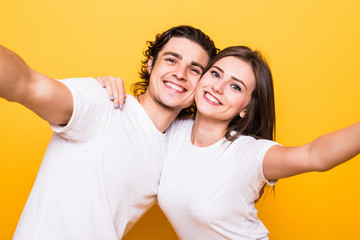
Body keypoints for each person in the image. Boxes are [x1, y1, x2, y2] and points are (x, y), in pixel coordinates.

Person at [101, 46, 359, 239]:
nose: (218, 87)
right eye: (215, 74)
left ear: (246, 108)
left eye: (235, 87)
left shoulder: (246, 154)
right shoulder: (172, 130)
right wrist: (104, 87)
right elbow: (133, 115)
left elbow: (315, 156)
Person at [0, 25, 217, 239]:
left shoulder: (176, 144)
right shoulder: (104, 103)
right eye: (171, 60)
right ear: (151, 64)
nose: (180, 74)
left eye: (194, 69)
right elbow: (28, 84)